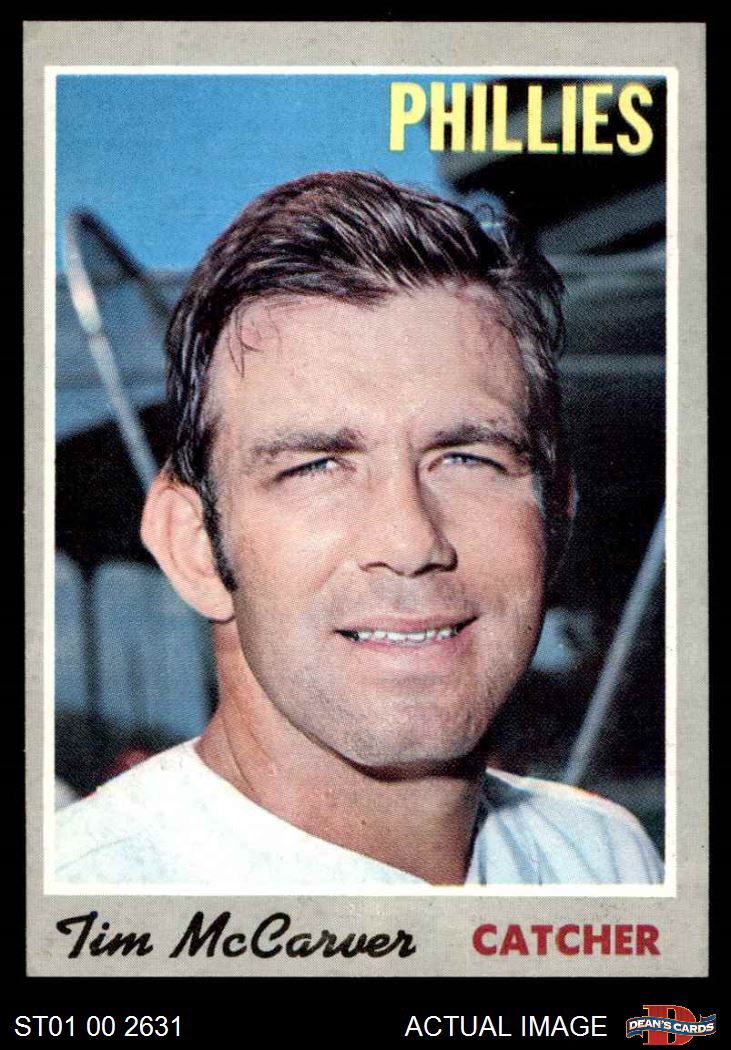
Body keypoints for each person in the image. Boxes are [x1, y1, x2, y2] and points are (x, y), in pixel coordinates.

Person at [55, 171, 663, 887]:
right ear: (194, 547)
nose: (410, 542)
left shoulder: (603, 857)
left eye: (466, 458)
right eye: (316, 466)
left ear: (555, 515)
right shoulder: (82, 898)